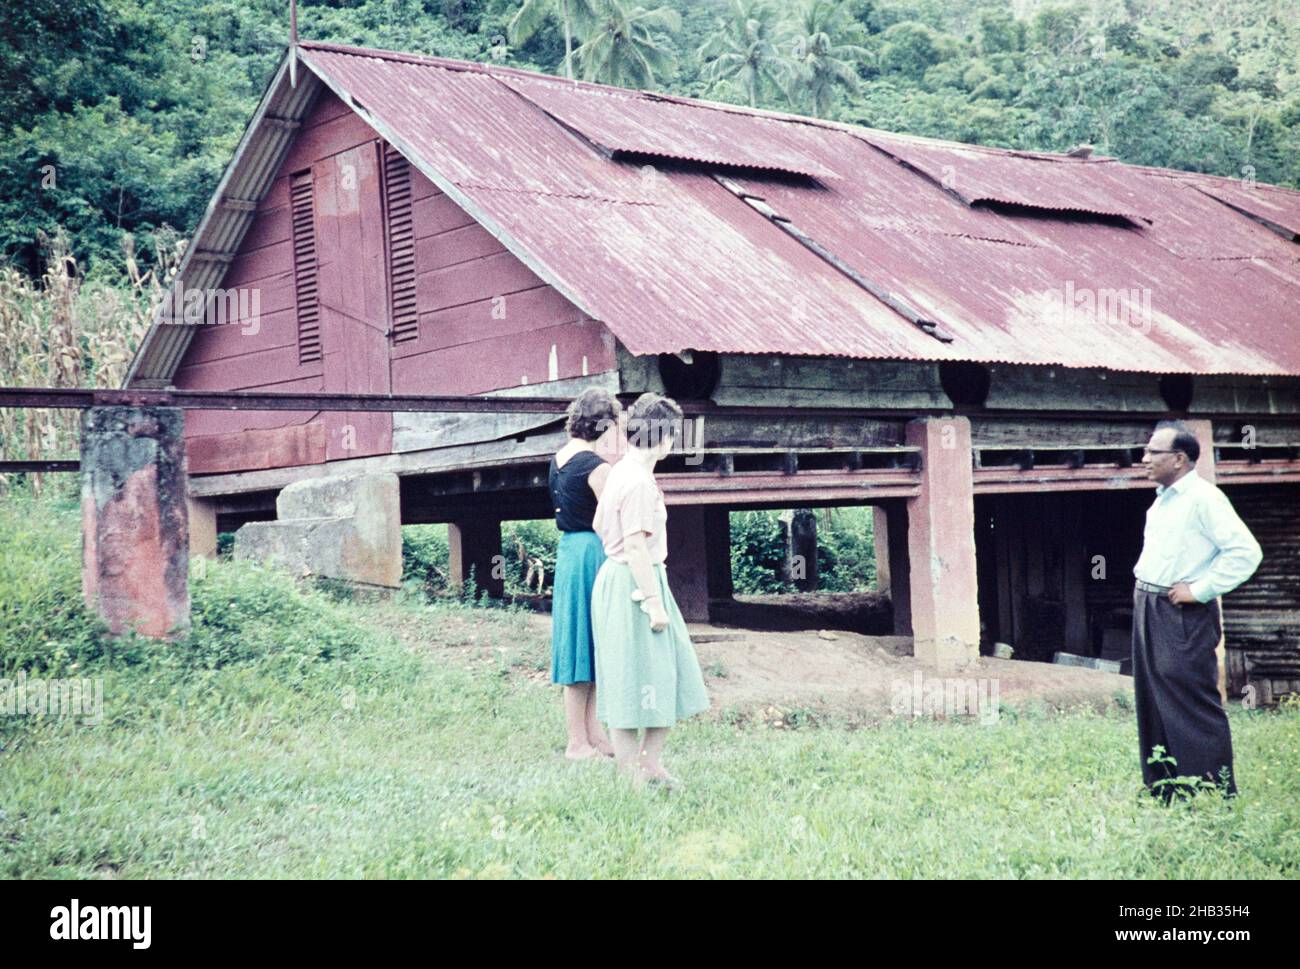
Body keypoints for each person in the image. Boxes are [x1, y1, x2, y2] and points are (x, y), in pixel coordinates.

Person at [1132, 421, 1262, 800]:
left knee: (1192, 700)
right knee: (1153, 699)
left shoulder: (1204, 498)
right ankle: (1167, 789)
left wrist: (1201, 590)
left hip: (1182, 614)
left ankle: (1212, 794)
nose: (1145, 459)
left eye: (1153, 452)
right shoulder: (1164, 498)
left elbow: (1246, 552)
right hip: (1149, 605)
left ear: (1179, 458)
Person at [590, 393, 710, 788]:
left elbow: (597, 524)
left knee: (651, 674)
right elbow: (636, 543)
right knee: (643, 675)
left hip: (620, 577)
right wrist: (654, 602)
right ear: (663, 437)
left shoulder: (621, 470)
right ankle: (635, 771)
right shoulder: (637, 479)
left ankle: (647, 765)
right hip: (635, 581)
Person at [549, 388, 622, 760]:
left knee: (585, 645)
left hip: (570, 552)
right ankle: (577, 742)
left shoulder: (559, 459)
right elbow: (614, 516)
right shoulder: (596, 466)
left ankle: (593, 735)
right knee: (583, 645)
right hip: (593, 552)